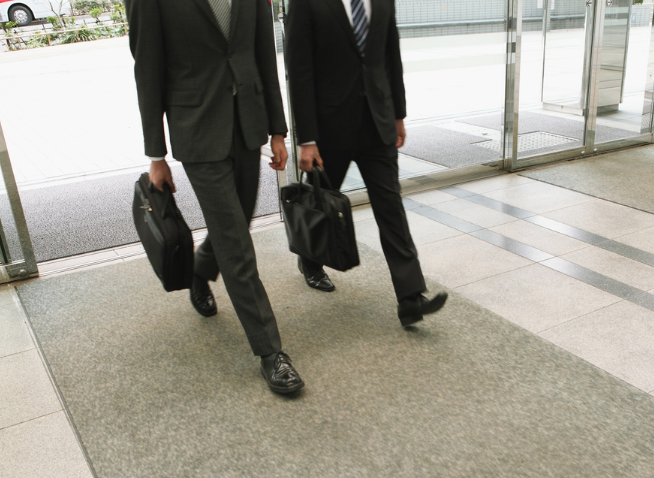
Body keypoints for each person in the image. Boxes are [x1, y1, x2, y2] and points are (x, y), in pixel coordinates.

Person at [127, 0, 304, 394]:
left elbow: (263, 55)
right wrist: (156, 156)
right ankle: (270, 352)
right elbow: (147, 70)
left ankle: (200, 268)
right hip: (196, 128)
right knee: (236, 242)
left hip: (248, 122)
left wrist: (277, 129)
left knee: (239, 222)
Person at [284, 0, 447, 326]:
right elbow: (299, 70)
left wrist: (398, 114)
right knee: (319, 202)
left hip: (377, 123)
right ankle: (310, 259)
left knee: (391, 207)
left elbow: (391, 57)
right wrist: (307, 139)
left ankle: (410, 297)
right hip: (329, 127)